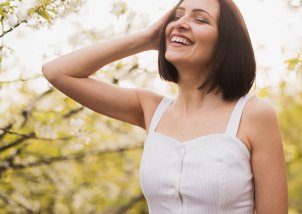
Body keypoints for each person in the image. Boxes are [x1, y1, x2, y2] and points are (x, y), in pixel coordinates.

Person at [42, 0, 288, 213]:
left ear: (226, 43)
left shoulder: (253, 115)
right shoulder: (150, 108)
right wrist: (146, 38)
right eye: (177, 15)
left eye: (201, 19)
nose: (180, 23)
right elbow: (57, 72)